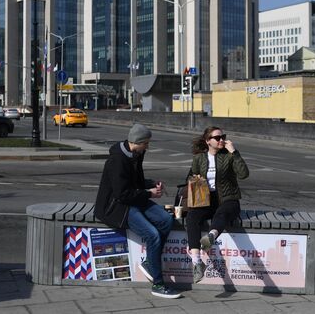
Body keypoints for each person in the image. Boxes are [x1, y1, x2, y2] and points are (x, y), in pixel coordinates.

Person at [94, 124, 180, 299]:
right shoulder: (117, 160)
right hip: (118, 207)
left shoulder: (136, 154)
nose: (148, 147)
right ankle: (158, 283)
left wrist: (151, 184)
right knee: (153, 235)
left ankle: (149, 262)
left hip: (133, 199)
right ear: (138, 142)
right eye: (146, 143)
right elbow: (122, 194)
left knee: (166, 220)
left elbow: (136, 182)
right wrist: (149, 194)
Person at [186, 126, 249, 283]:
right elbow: (190, 177)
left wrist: (234, 152)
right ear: (208, 141)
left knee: (222, 214)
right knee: (192, 216)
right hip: (206, 200)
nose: (221, 140)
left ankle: (211, 236)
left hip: (228, 199)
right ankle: (197, 262)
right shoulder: (199, 158)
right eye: (217, 138)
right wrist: (195, 178)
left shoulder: (228, 156)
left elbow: (243, 174)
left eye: (223, 137)